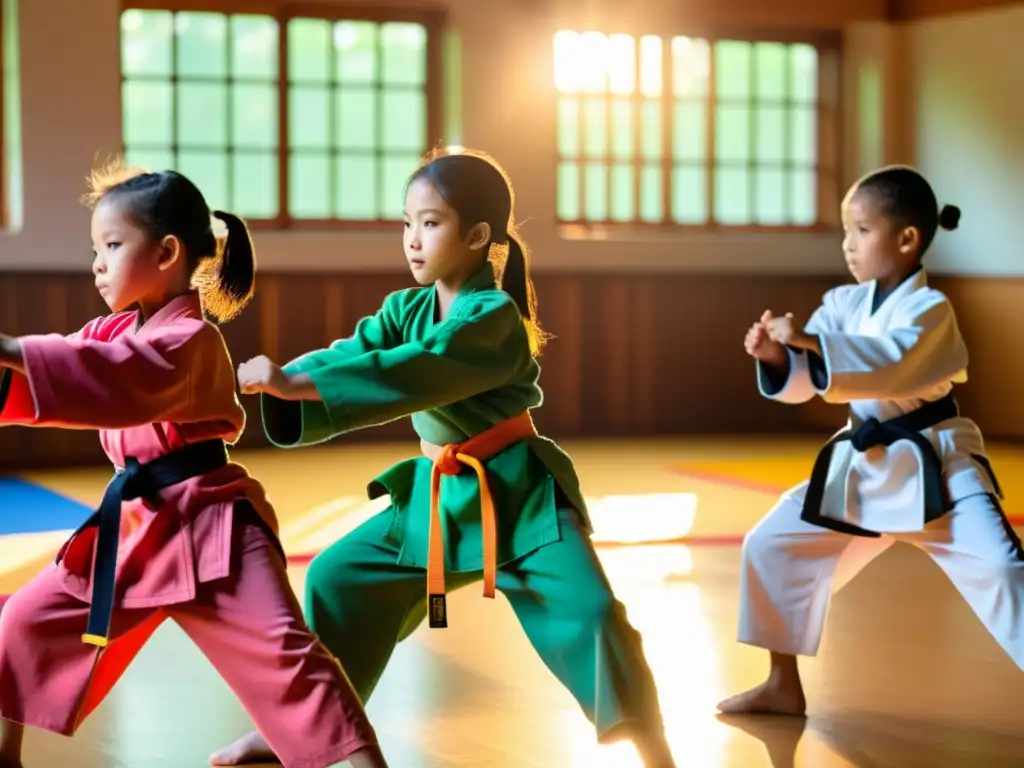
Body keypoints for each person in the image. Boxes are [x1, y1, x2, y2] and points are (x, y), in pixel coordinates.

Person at [208, 149, 675, 767]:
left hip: (519, 500)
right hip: (438, 496)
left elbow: (420, 371)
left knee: (592, 616)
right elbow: (355, 352)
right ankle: (293, 730)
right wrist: (285, 378)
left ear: (478, 236)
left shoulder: (495, 316)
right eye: (406, 223)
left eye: (430, 223)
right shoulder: (408, 309)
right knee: (337, 577)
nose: (412, 239)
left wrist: (295, 386)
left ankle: (654, 748)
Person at [0, 162, 387, 768]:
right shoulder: (111, 329)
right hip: (136, 531)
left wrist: (10, 350)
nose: (97, 262)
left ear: (167, 252)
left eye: (112, 245)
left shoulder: (191, 340)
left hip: (214, 530)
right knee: (23, 619)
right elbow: (74, 360)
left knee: (288, 659)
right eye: (95, 248)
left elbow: (114, 376)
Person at [718, 165, 1023, 716]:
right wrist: (778, 357)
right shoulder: (843, 303)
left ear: (907, 239)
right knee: (771, 544)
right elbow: (816, 377)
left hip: (937, 466)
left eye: (861, 230)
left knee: (1003, 570)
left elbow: (892, 365)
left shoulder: (931, 311)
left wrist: (809, 341)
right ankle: (782, 683)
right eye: (845, 232)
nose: (848, 245)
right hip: (861, 467)